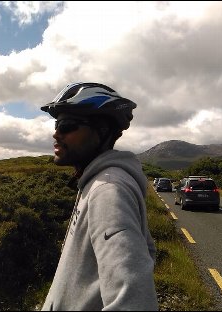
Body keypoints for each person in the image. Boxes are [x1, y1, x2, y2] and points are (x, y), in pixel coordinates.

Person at [38, 82, 158, 310]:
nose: (56, 133)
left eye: (67, 125)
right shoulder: (96, 181)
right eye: (56, 124)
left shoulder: (108, 190)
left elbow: (134, 300)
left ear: (102, 131)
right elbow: (147, 250)